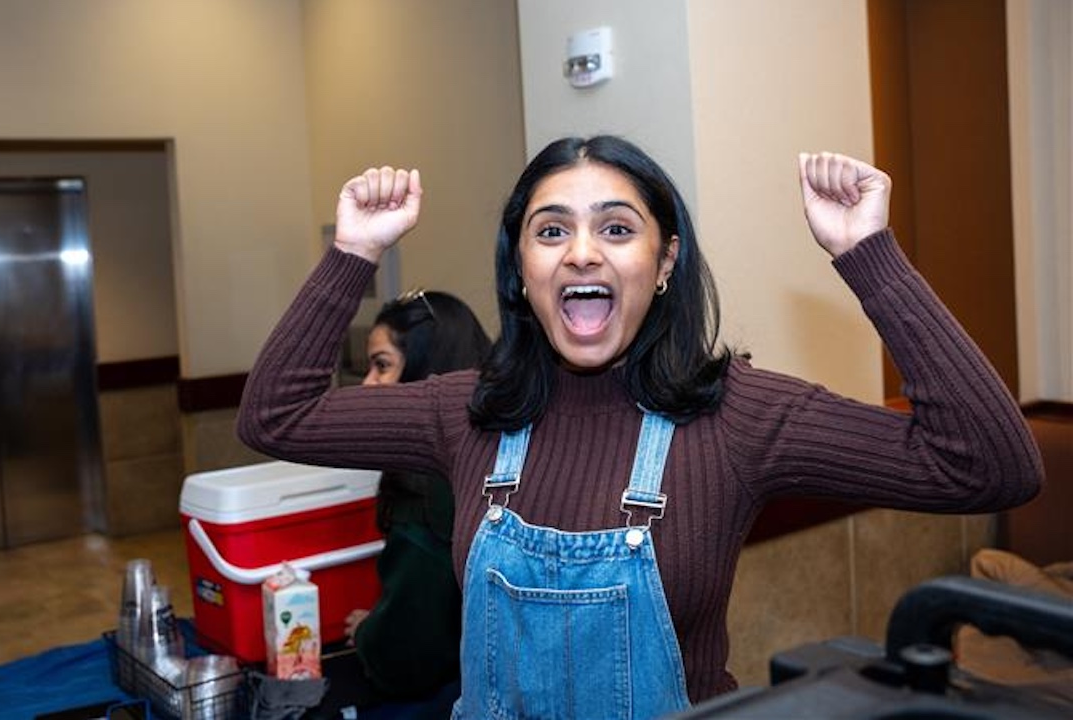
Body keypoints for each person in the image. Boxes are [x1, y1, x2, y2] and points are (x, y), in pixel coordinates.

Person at [238, 136, 1043, 719]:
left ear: (663, 265)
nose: (582, 252)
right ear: (522, 271)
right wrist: (352, 253)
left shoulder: (737, 414)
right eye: (551, 231)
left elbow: (989, 466)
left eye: (617, 229)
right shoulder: (464, 409)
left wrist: (868, 254)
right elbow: (277, 413)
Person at [344, 288, 490, 706]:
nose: (369, 384)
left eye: (382, 366)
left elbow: (409, 650)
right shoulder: (499, 444)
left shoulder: (423, 484)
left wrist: (372, 635)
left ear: (428, 372)